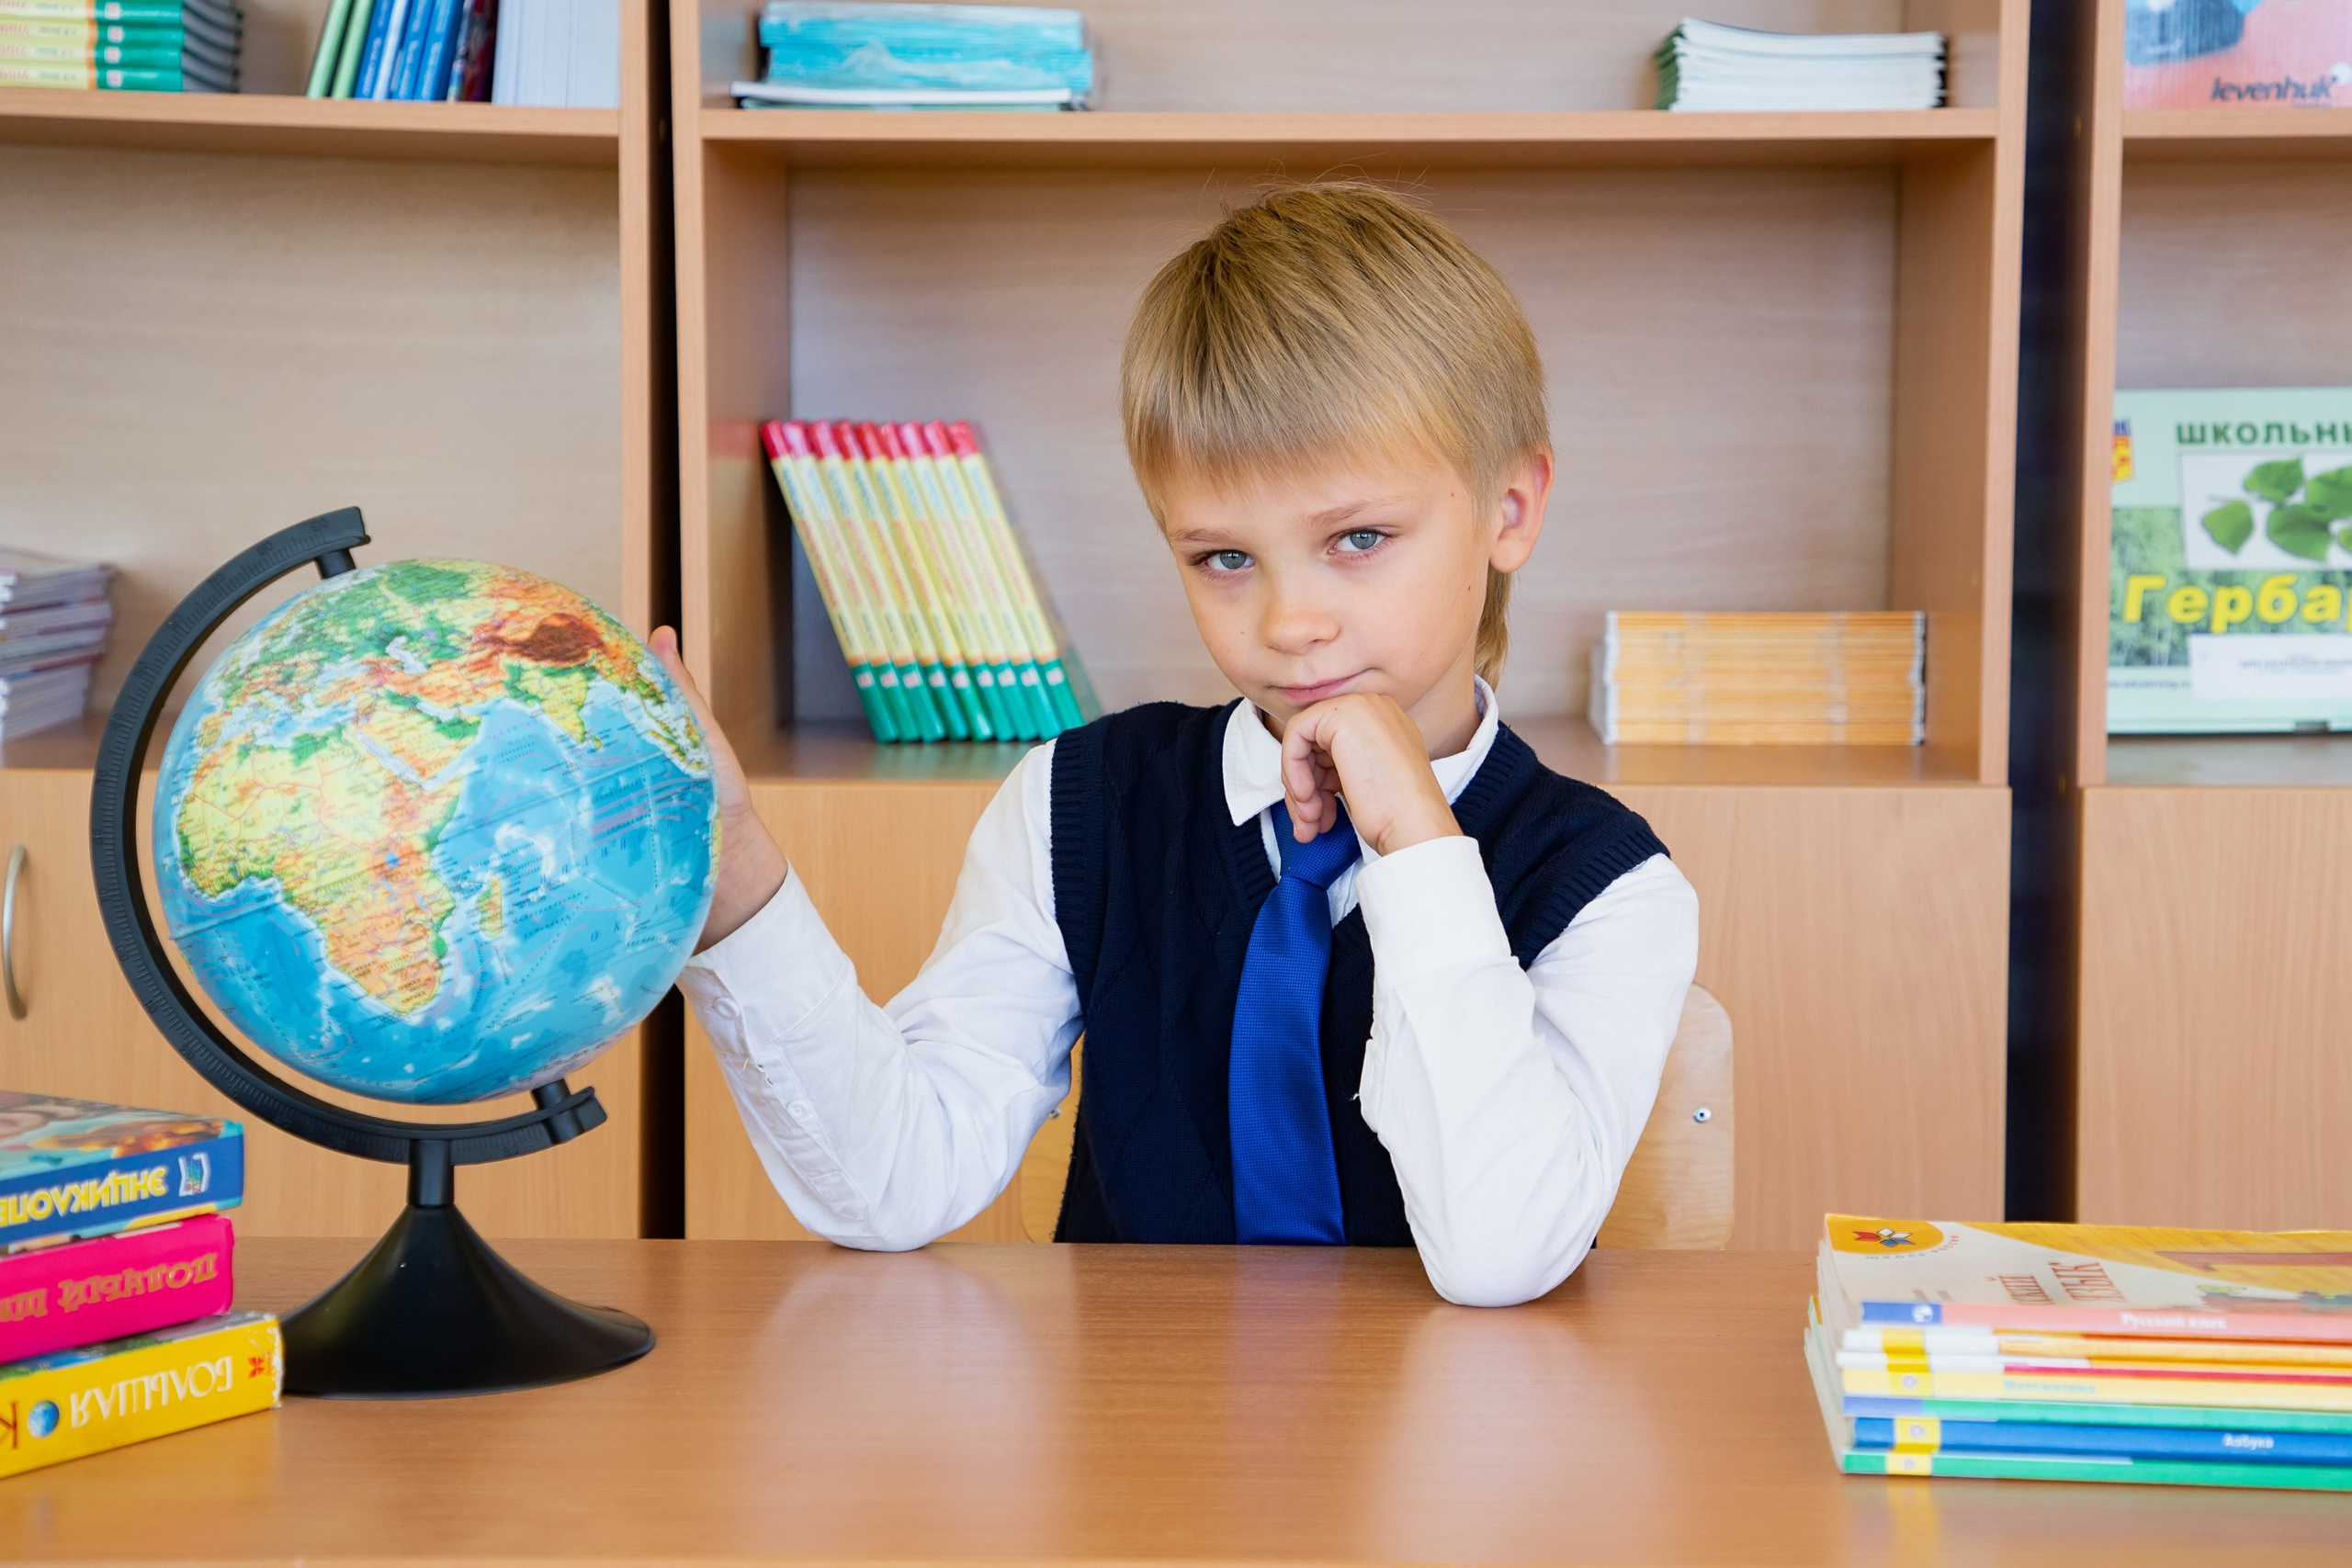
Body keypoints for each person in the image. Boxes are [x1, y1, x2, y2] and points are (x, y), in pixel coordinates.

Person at [652, 182, 1699, 1308]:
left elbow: (1500, 1257)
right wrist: (738, 878)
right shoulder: (1080, 804)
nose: (1291, 623)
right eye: (1223, 559)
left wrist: (1414, 849)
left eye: (1357, 538)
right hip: (1128, 1450)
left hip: (1455, 1460)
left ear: (1510, 510)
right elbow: (898, 1179)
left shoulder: (1611, 885)